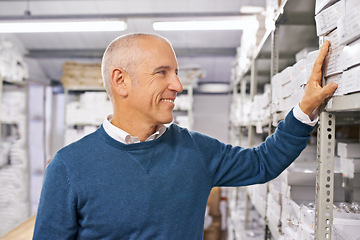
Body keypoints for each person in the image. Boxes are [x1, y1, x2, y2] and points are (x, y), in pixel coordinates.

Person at [33, 33, 337, 239]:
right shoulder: (68, 168)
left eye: (175, 72)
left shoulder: (196, 151)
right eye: (163, 72)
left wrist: (304, 109)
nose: (177, 84)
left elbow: (263, 163)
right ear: (121, 81)